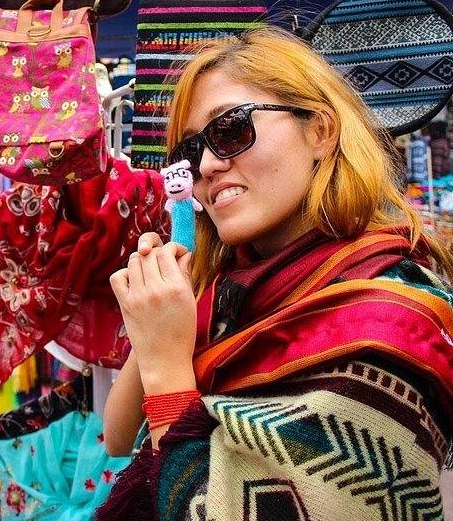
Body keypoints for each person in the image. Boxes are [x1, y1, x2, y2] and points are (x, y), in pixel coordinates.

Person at [98, 28, 453, 520]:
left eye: (230, 129)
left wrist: (166, 366)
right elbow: (118, 439)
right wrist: (159, 327)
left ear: (320, 132)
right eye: (189, 151)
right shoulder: (234, 289)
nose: (205, 165)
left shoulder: (387, 320)